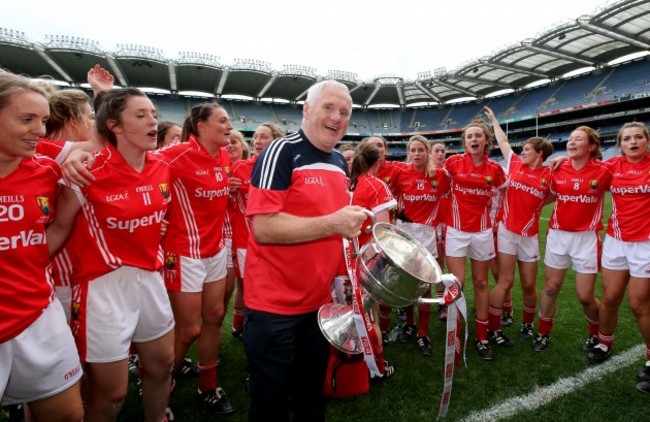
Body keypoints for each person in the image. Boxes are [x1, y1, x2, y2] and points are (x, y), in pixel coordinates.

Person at [46, 88, 174, 422]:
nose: (153, 122)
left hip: (151, 278)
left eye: (154, 114)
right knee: (111, 395)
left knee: (161, 367)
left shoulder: (162, 166)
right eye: (141, 115)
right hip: (101, 287)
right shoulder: (88, 171)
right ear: (115, 125)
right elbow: (58, 229)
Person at [243, 80, 367, 421]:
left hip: (319, 306)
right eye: (329, 107)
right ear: (306, 109)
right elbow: (264, 228)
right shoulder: (281, 152)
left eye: (345, 112)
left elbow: (335, 231)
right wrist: (333, 223)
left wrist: (343, 287)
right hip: (274, 308)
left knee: (312, 399)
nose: (337, 117)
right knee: (271, 405)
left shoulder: (340, 163)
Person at [0, 69, 84, 422]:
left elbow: (47, 237)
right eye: (27, 119)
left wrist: (72, 202)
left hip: (38, 314)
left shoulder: (47, 171)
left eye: (44, 120)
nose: (39, 129)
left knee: (68, 415)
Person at [155, 102, 235, 414]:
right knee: (188, 330)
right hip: (183, 252)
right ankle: (160, 390)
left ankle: (208, 386)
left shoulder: (225, 156)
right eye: (223, 120)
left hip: (214, 250)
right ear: (201, 126)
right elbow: (138, 167)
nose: (229, 126)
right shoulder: (176, 155)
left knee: (215, 316)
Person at [581, 123, 650, 384]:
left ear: (646, 140)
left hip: (645, 244)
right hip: (616, 242)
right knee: (610, 298)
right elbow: (588, 168)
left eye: (638, 137)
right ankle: (604, 343)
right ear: (620, 144)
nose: (633, 142)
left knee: (639, 303)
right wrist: (565, 158)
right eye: (627, 139)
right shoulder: (613, 166)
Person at [533, 126, 612, 353]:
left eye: (578, 139)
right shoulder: (557, 168)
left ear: (592, 146)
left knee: (585, 296)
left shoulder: (604, 170)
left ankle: (595, 334)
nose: (572, 142)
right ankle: (543, 332)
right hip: (558, 236)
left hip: (586, 239)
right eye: (570, 138)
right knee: (550, 288)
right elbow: (550, 194)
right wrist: (534, 208)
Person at [484, 107, 553, 351]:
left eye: (527, 150)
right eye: (522, 149)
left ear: (540, 153)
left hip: (530, 235)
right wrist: (494, 120)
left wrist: (539, 205)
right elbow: (502, 140)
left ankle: (526, 324)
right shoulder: (514, 164)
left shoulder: (549, 174)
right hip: (506, 230)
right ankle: (493, 328)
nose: (521, 152)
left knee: (528, 284)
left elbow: (552, 195)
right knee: (505, 281)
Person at [444, 118, 506, 361]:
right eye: (469, 136)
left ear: (486, 141)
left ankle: (481, 335)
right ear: (464, 142)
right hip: (456, 231)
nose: (473, 140)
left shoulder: (495, 170)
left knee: (481, 283)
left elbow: (504, 191)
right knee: (456, 283)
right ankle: (457, 332)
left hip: (482, 232)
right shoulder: (453, 163)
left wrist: (495, 220)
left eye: (478, 136)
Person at [392, 135, 450, 356]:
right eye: (413, 150)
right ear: (409, 152)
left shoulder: (441, 175)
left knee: (425, 284)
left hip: (427, 235)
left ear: (427, 152)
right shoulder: (400, 173)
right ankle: (409, 322)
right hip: (406, 234)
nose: (416, 154)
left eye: (420, 150)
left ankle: (423, 333)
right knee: (407, 282)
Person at [228, 123, 285, 338]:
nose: (257, 142)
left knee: (273, 289)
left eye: (264, 137)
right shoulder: (239, 168)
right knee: (251, 290)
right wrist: (228, 190)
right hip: (245, 242)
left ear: (277, 141)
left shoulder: (285, 169)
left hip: (276, 239)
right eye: (256, 138)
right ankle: (249, 332)